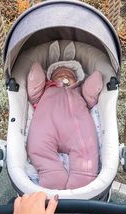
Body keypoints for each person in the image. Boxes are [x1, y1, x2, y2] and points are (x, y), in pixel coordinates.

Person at [27, 41, 103, 190]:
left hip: (76, 127)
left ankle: (83, 176)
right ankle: (52, 173)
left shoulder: (78, 91)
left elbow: (90, 96)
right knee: (37, 144)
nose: (63, 76)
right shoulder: (46, 90)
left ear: (77, 78)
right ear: (50, 79)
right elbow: (33, 93)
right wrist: (37, 75)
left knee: (86, 146)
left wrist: (93, 82)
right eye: (58, 74)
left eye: (69, 74)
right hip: (47, 124)